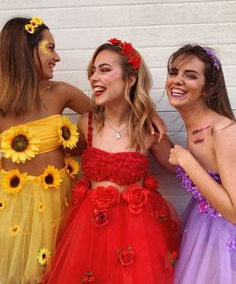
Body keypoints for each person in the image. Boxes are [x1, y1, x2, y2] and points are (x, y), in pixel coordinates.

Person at [43, 38, 179, 284]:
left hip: (138, 234)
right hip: (89, 233)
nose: (94, 77)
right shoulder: (88, 124)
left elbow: (179, 167)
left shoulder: (148, 130)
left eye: (104, 70)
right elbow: (56, 153)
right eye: (92, 71)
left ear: (131, 78)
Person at [0, 16, 92, 284]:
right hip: (12, 207)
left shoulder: (59, 93)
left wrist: (146, 115)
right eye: (49, 48)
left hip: (60, 201)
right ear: (25, 51)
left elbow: (110, 119)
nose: (57, 57)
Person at [166, 44, 236, 284]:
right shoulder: (193, 124)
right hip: (201, 228)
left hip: (226, 237)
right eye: (174, 72)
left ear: (209, 88)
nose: (177, 80)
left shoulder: (223, 131)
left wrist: (187, 161)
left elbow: (235, 212)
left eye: (191, 75)